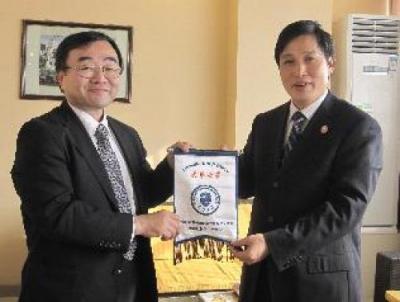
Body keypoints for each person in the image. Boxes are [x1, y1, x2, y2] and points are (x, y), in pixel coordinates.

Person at [11, 31, 190, 302]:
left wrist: (170, 166)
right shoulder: (42, 133)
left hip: (132, 282)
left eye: (109, 67)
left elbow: (140, 195)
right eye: (86, 67)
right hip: (71, 289)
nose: (100, 76)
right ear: (61, 78)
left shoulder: (126, 134)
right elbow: (57, 214)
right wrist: (140, 224)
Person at [230, 20, 383, 302]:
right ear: (279, 70)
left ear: (330, 65)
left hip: (321, 283)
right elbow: (247, 181)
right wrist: (208, 167)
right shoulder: (266, 123)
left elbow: (346, 209)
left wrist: (272, 244)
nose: (299, 71)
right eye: (288, 61)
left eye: (309, 59)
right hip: (262, 280)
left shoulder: (358, 127)